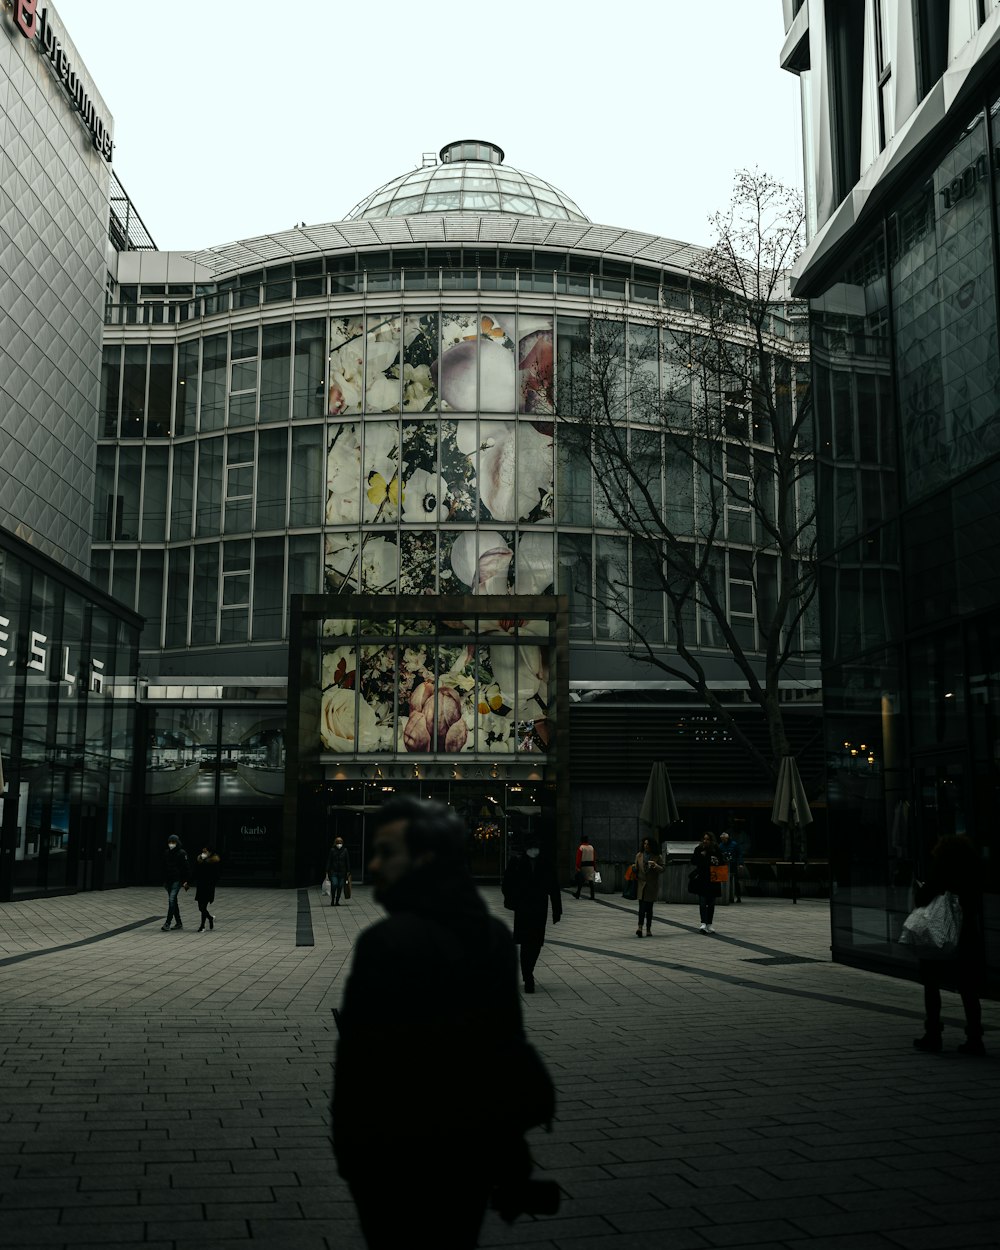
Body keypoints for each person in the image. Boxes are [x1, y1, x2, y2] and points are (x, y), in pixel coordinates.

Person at [332, 796, 556, 1248]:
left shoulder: (386, 942)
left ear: (425, 858)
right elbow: (505, 1047)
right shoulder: (491, 936)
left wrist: (354, 1160)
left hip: (397, 1153)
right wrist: (512, 1162)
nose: (374, 864)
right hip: (470, 1152)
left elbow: (362, 1069)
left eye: (387, 852)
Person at [912, 833, 985, 1056]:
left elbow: (923, 898)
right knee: (968, 990)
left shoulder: (941, 868)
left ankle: (933, 1034)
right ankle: (975, 1038)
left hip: (941, 935)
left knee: (932, 986)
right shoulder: (973, 870)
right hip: (968, 936)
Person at [502, 830, 562, 993]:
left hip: (539, 908)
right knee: (526, 942)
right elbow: (507, 884)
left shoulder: (545, 863)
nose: (534, 850)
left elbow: (554, 887)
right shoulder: (516, 862)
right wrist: (512, 901)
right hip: (523, 908)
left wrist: (557, 910)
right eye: (531, 847)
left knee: (536, 943)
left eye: (536, 847)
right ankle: (528, 976)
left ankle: (528, 971)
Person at [690, 832, 724, 934]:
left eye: (707, 839)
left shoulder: (716, 849)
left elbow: (721, 861)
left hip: (713, 878)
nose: (705, 841)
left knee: (712, 902)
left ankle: (709, 923)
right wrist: (701, 856)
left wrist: (715, 860)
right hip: (702, 878)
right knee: (703, 901)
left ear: (711, 840)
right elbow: (693, 861)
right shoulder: (699, 849)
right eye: (704, 839)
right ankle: (703, 923)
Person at [634, 836, 664, 937]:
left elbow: (663, 869)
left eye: (648, 844)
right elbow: (636, 868)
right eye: (644, 844)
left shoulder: (657, 856)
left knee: (649, 908)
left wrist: (655, 865)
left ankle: (648, 929)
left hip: (651, 885)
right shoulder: (639, 855)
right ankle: (639, 927)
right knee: (641, 907)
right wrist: (634, 869)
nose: (646, 846)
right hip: (641, 884)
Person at [161, 835, 190, 931]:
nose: (171, 844)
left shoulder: (182, 853)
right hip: (169, 880)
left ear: (177, 842)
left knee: (171, 900)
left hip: (177, 880)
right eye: (170, 842)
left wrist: (186, 881)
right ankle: (179, 922)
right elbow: (164, 867)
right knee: (174, 901)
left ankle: (167, 923)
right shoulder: (167, 853)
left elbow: (186, 868)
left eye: (173, 842)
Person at [194, 846, 221, 931]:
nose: (203, 853)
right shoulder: (200, 861)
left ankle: (202, 926)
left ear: (210, 853)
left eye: (205, 852)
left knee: (203, 906)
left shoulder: (214, 862)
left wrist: (212, 883)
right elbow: (195, 872)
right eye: (203, 851)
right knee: (200, 907)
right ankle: (210, 918)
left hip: (208, 887)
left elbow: (217, 876)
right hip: (200, 886)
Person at [718, 829, 743, 903]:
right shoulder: (721, 845)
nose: (723, 841)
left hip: (732, 864)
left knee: (735, 881)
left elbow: (739, 854)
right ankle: (726, 896)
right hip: (724, 865)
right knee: (724, 880)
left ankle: (738, 896)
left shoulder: (734, 844)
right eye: (721, 839)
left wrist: (740, 863)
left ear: (727, 838)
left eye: (724, 839)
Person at [326, 836, 351, 906]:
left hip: (342, 872)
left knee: (340, 886)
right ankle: (333, 899)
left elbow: (347, 861)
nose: (339, 843)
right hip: (334, 871)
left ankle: (337, 900)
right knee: (334, 884)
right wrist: (327, 870)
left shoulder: (345, 850)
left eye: (340, 842)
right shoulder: (332, 850)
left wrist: (348, 871)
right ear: (335, 843)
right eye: (338, 842)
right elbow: (329, 860)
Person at [572, 834, 598, 900]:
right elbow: (594, 858)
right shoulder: (591, 847)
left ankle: (578, 894)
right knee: (591, 881)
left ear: (581, 840)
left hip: (583, 866)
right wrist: (594, 866)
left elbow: (578, 858)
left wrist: (577, 866)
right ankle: (592, 896)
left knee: (580, 880)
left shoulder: (581, 847)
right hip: (591, 866)